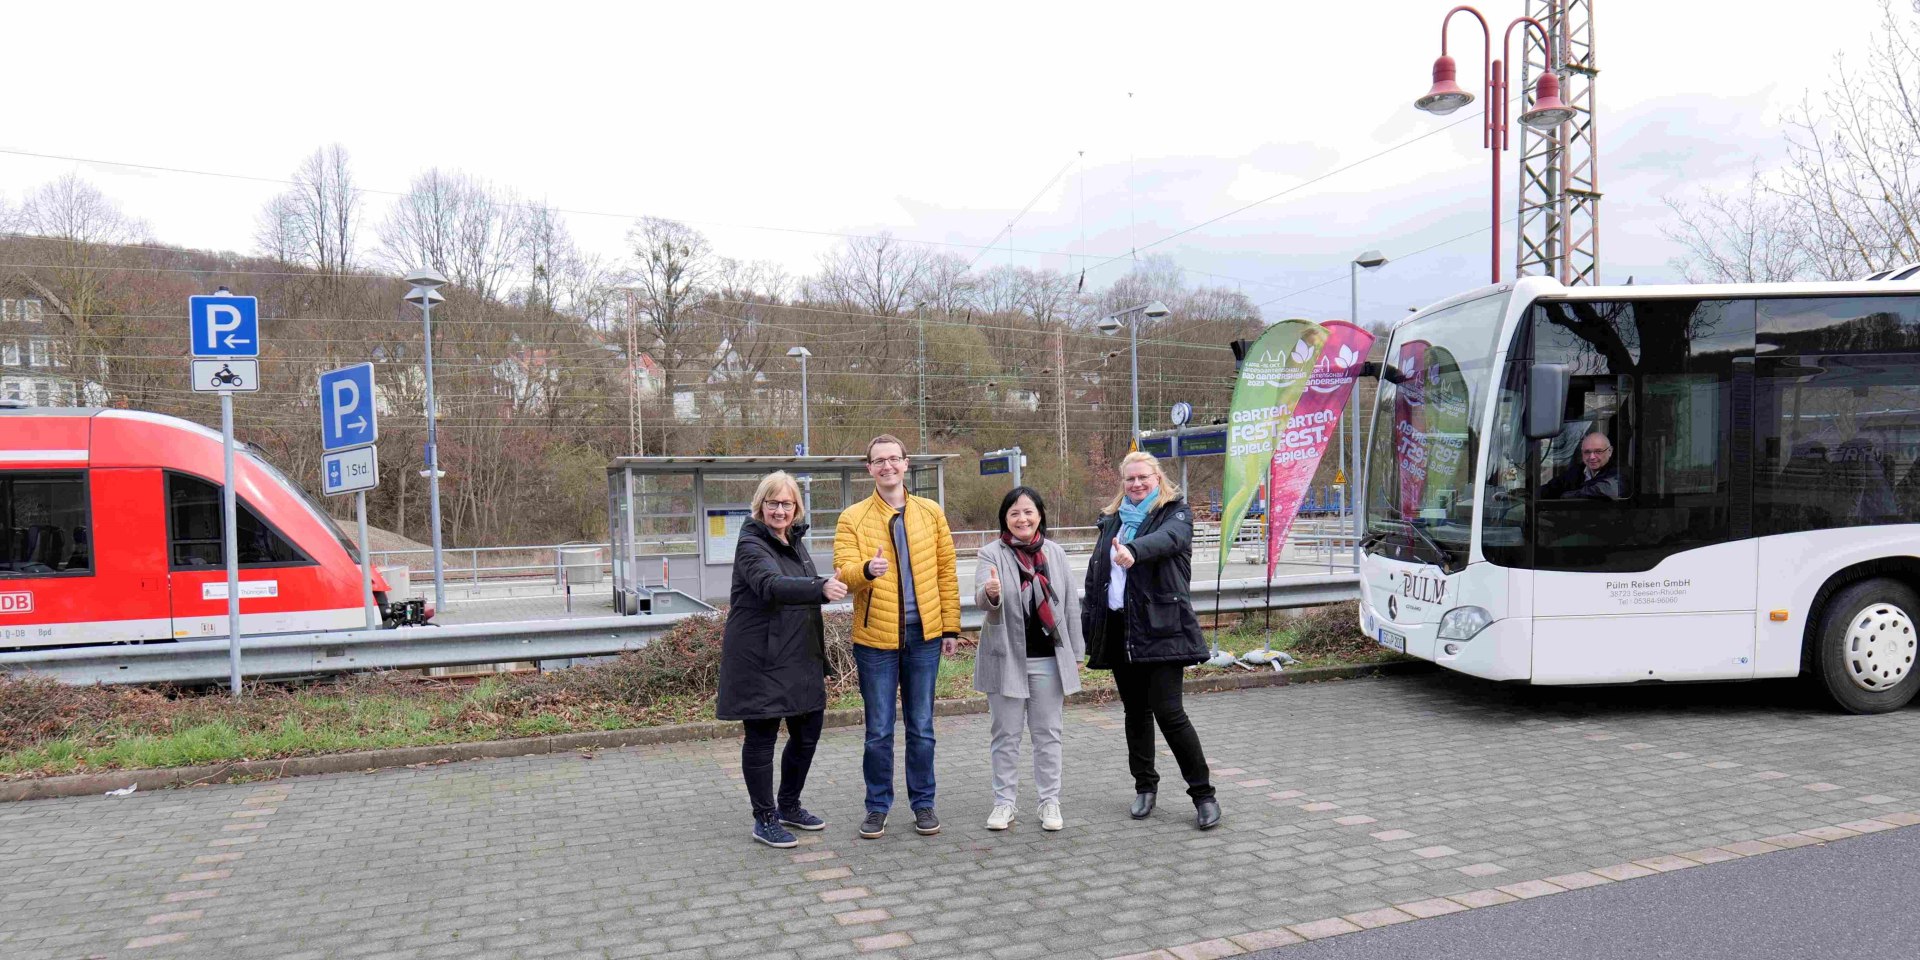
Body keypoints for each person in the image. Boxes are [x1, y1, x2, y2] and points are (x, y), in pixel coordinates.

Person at [1082, 451, 1220, 831]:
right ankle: (1145, 787)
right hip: (1121, 629)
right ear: (1122, 483)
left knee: (1170, 714)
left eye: (1144, 477)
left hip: (1162, 630)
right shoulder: (1112, 521)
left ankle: (1204, 795)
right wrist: (1089, 628)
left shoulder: (1175, 512)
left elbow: (1169, 540)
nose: (1137, 484)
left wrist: (1134, 552)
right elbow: (1096, 578)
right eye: (1130, 479)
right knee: (1135, 714)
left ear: (1158, 478)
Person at [833, 434, 961, 839]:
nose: (887, 466)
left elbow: (946, 573)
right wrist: (865, 571)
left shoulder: (931, 512)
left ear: (907, 464)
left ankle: (923, 803)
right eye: (878, 461)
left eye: (894, 459)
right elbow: (842, 572)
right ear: (868, 468)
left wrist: (951, 626)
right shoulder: (851, 517)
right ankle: (877, 806)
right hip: (874, 638)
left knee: (922, 725)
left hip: (924, 635)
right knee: (879, 729)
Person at [716, 471, 847, 848]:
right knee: (761, 739)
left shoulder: (793, 540)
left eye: (786, 503)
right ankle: (765, 817)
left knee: (808, 734)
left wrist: (855, 576)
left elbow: (802, 583)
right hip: (761, 658)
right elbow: (770, 585)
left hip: (800, 654)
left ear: (796, 508)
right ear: (761, 505)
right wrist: (819, 587)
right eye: (772, 502)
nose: (779, 510)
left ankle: (789, 804)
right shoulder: (750, 544)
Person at [974, 486, 1084, 832]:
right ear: (1005, 518)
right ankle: (1004, 803)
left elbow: (1069, 606)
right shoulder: (990, 553)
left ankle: (1049, 801)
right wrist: (990, 594)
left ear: (1040, 515)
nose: (1022, 519)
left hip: (1049, 659)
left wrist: (1076, 653)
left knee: (1048, 734)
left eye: (1028, 512)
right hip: (1006, 657)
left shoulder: (1055, 553)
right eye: (1014, 513)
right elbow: (984, 601)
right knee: (1005, 735)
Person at [1540, 431, 1622, 500]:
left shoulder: (1619, 471)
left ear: (1610, 451)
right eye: (1587, 452)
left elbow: (1609, 490)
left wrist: (1569, 495)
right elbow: (1552, 488)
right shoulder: (1576, 471)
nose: (1592, 457)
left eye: (1598, 451)